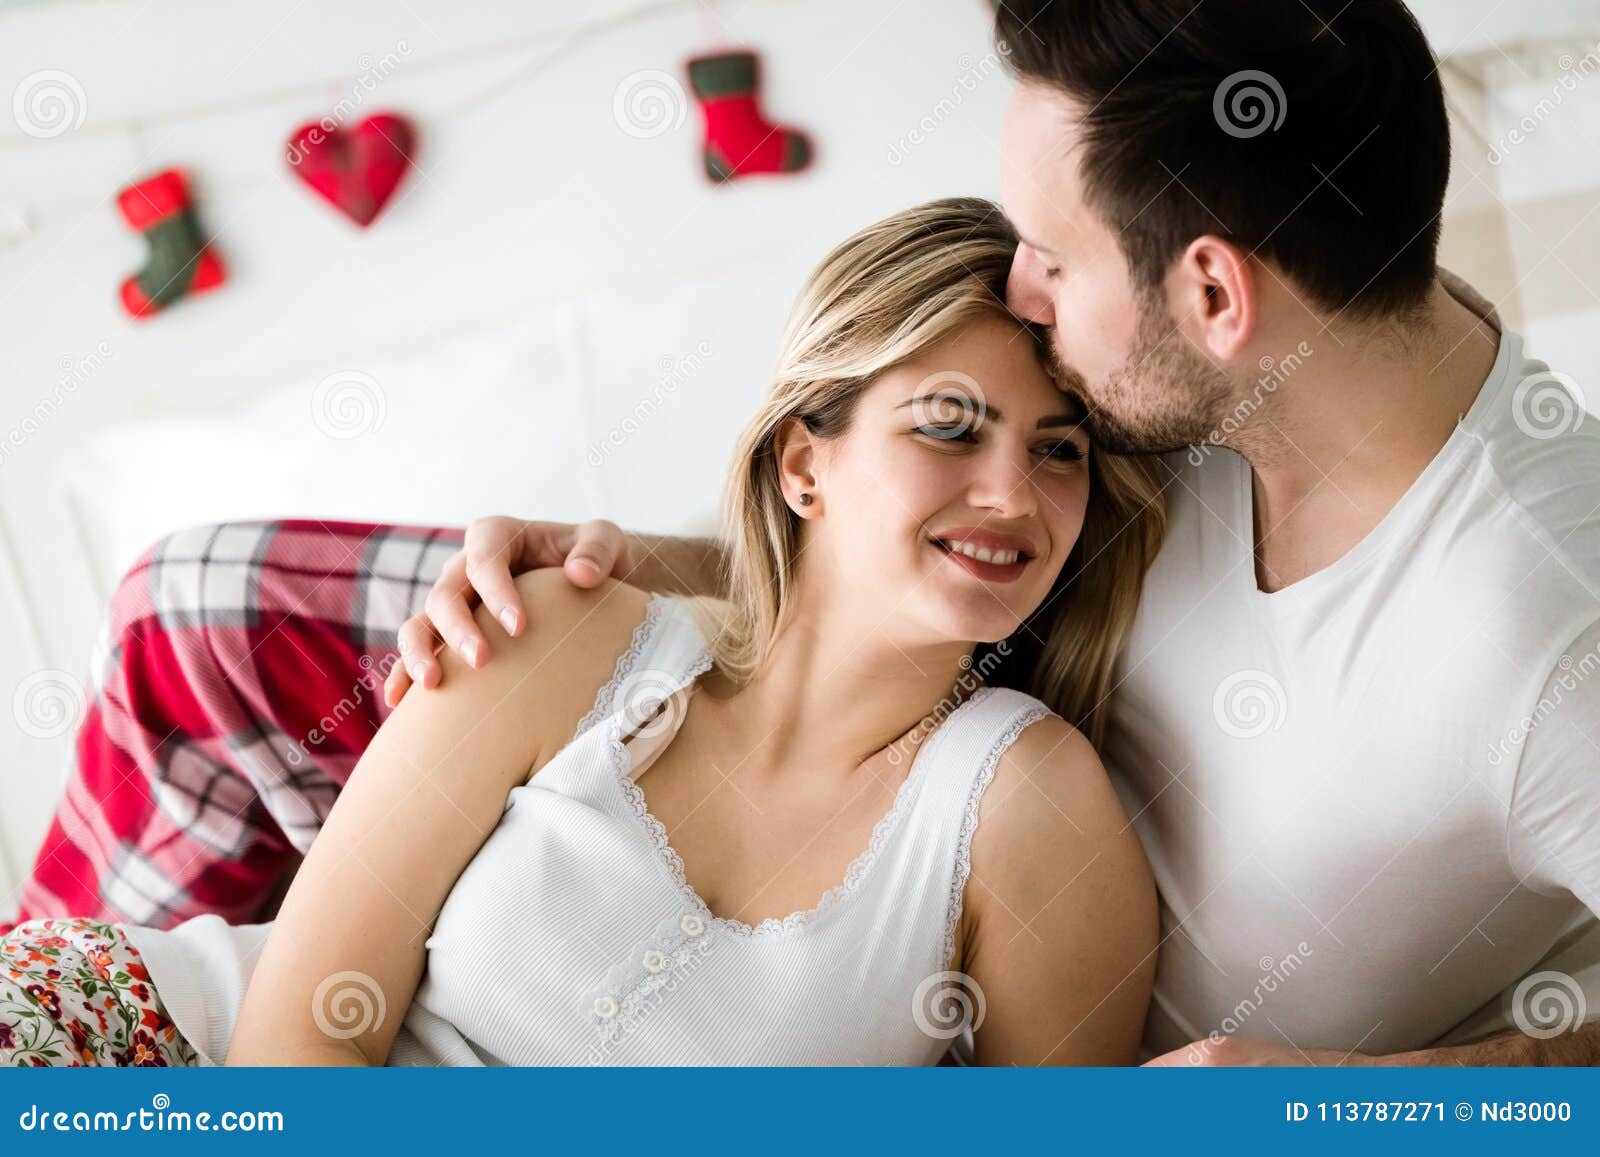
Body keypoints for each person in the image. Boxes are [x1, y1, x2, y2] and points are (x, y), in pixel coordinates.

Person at [8, 0, 1597, 1067]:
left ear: (1209, 292)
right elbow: (930, 531)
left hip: (983, 964)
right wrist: (628, 563)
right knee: (191, 610)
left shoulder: (1547, 631)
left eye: (1049, 255)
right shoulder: (1197, 388)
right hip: (705, 738)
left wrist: (1373, 1107)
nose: (1027, 300)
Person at [0, 198, 1162, 1066]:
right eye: (950, 429)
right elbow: (300, 1036)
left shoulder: (1027, 806)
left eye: (1058, 448)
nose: (1013, 493)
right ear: (806, 463)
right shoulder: (559, 629)